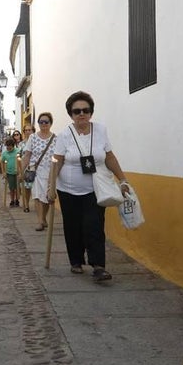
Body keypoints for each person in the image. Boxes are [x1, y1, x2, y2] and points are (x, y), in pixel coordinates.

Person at [47, 92, 132, 282]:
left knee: (94, 225)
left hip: (95, 188)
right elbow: (57, 160)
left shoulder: (101, 130)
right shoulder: (64, 135)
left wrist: (123, 179)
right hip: (67, 189)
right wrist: (51, 186)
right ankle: (76, 260)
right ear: (71, 114)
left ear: (91, 112)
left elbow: (109, 157)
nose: (81, 114)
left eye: (85, 110)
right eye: (76, 111)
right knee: (72, 226)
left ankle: (98, 265)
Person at [21, 113, 57, 231]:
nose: (43, 124)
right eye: (41, 122)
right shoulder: (33, 137)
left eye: (46, 122)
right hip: (35, 170)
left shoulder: (56, 139)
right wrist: (21, 170)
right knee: (37, 195)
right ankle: (40, 221)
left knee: (46, 197)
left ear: (51, 123)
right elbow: (27, 155)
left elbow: (59, 157)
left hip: (50, 171)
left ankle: (43, 217)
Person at [0, 136, 21, 207]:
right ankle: (12, 200)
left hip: (17, 172)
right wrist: (3, 172)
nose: (8, 148)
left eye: (10, 147)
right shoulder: (5, 153)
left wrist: (20, 170)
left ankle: (17, 199)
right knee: (12, 188)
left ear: (13, 146)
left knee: (18, 187)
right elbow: (2, 162)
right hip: (9, 173)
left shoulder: (18, 151)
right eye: (7, 147)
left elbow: (21, 161)